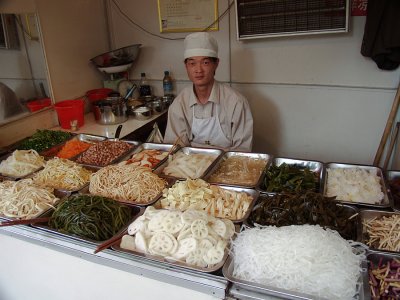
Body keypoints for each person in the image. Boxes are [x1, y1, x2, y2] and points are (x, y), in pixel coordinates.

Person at [164, 32, 253, 152]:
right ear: (186, 66)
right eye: (192, 63)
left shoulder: (236, 102)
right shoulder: (179, 104)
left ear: (216, 64)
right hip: (189, 166)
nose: (198, 70)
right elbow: (174, 148)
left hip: (228, 167)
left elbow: (243, 151)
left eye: (205, 62)